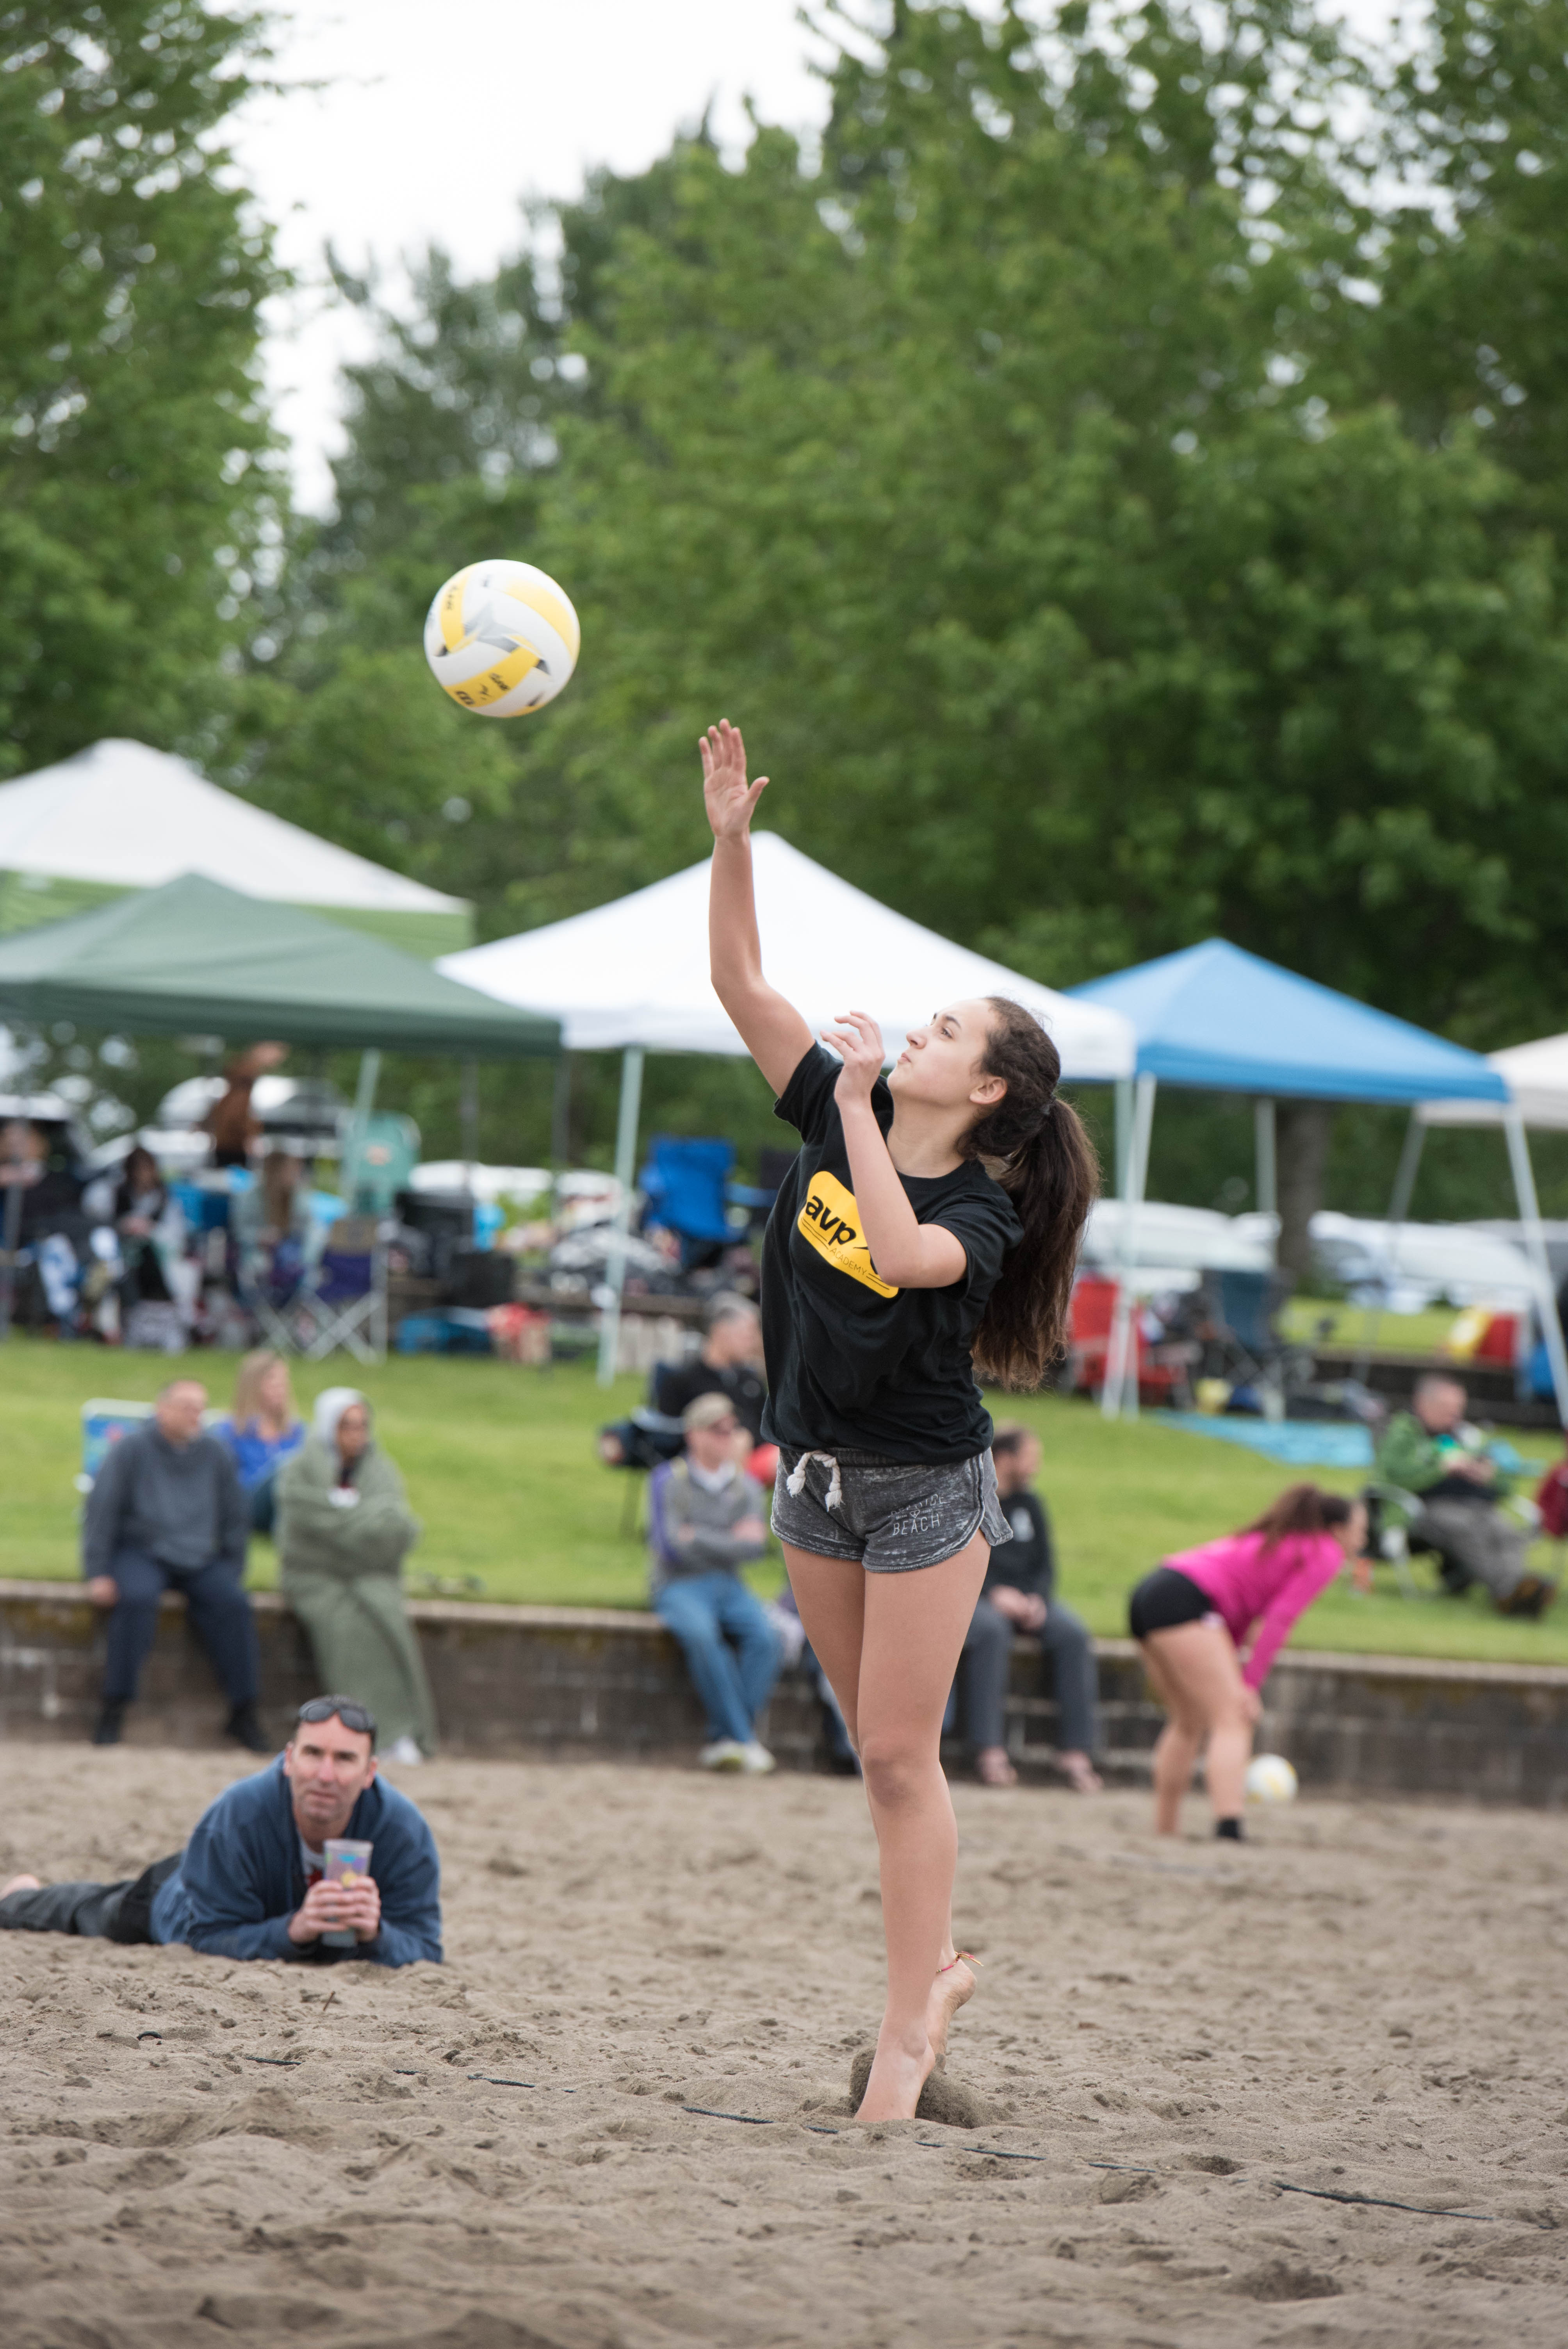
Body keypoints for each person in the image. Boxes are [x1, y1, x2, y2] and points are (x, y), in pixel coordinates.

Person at [701, 717, 1098, 2122]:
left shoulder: (973, 1205)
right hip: (811, 1474)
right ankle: (928, 1980)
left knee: (893, 1752)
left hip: (928, 1488)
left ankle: (907, 2032)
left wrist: (860, 1100)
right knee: (868, 1750)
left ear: (984, 1088)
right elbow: (739, 979)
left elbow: (897, 1245)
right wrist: (731, 840)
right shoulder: (838, 1103)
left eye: (945, 1031)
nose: (914, 1027)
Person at [0, 1696, 442, 1965]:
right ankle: (19, 1897)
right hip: (179, 1903)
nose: (325, 1774)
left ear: (371, 1771)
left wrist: (376, 1933)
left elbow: (426, 1949)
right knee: (98, 1910)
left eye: (345, 1759)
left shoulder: (403, 1831)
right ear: (289, 1759)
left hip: (253, 1899)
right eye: (313, 1754)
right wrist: (296, 1929)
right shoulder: (239, 1812)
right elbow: (207, 1938)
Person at [1128, 1483, 1366, 1839]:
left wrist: (1240, 1672)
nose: (1362, 1541)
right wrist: (1249, 1686)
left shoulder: (1282, 1541)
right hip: (1186, 1600)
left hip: (1152, 1592)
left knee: (1189, 1720)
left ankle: (1166, 1829)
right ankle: (1229, 1825)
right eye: (1360, 1531)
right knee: (1234, 1718)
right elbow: (1278, 1622)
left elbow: (1241, 1622)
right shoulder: (1324, 1552)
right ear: (1337, 1530)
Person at [82, 1377, 265, 1752]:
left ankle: (244, 1711)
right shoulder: (131, 1448)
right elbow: (102, 1509)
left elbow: (235, 1517)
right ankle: (114, 1708)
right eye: (186, 1406)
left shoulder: (216, 1452)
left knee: (232, 1604)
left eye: (200, 1407)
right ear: (162, 1408)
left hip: (199, 1555)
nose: (195, 1415)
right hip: (141, 1550)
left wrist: (233, 1568)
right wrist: (98, 1571)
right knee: (135, 1599)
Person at [275, 1390, 435, 1767]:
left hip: (370, 1576)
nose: (356, 1434)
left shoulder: (382, 1470)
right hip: (314, 1577)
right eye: (347, 1425)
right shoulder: (301, 1469)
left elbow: (396, 1531)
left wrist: (344, 1526)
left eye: (362, 1425)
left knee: (388, 1622)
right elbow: (302, 1534)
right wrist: (360, 1525)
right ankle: (364, 1734)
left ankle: (401, 1732)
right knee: (345, 1628)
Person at [956, 1422, 1103, 1792]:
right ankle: (989, 1750)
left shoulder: (1032, 1504)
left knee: (1072, 1634)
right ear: (1004, 1459)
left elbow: (1046, 1564)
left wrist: (1037, 1598)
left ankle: (1076, 1753)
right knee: (990, 1632)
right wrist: (993, 1594)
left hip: (1029, 1601)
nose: (1035, 1467)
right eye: (1029, 1458)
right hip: (981, 1599)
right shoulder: (972, 1500)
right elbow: (958, 1559)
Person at [649, 1392, 781, 1772]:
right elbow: (670, 1547)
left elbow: (756, 1548)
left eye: (731, 1429)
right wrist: (730, 1540)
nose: (726, 1437)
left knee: (767, 1640)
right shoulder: (667, 1480)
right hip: (679, 1585)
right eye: (715, 1430)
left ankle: (724, 1738)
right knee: (704, 1638)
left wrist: (699, 1536)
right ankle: (742, 1739)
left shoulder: (746, 1485)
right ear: (693, 1434)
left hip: (729, 1584)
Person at [1375, 1374, 1553, 1616]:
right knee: (1466, 1529)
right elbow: (1394, 1477)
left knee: (1505, 1531)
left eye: (1459, 1408)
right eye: (1447, 1408)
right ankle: (1510, 1592)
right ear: (1423, 1405)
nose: (1455, 1415)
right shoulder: (1403, 1434)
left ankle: (1517, 1591)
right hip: (1424, 1507)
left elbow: (1504, 1482)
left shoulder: (1465, 1435)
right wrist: (1440, 1469)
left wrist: (1487, 1475)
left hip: (1475, 1503)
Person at [654, 1297, 777, 1482]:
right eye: (748, 1334)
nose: (754, 1342)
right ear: (721, 1332)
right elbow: (667, 1434)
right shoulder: (683, 1379)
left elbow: (768, 1427)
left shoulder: (751, 1380)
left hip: (751, 1459)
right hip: (699, 1464)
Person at [217, 1347, 306, 1534]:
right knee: (284, 1466)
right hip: (250, 1505)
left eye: (284, 1380)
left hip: (292, 1501)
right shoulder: (230, 1432)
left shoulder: (297, 1431)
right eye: (272, 1380)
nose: (280, 1387)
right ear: (252, 1384)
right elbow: (226, 1486)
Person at [205, 1041, 287, 1169]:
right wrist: (250, 1133)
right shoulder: (238, 1096)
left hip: (228, 1147)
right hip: (231, 1149)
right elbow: (235, 1120)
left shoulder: (232, 1096)